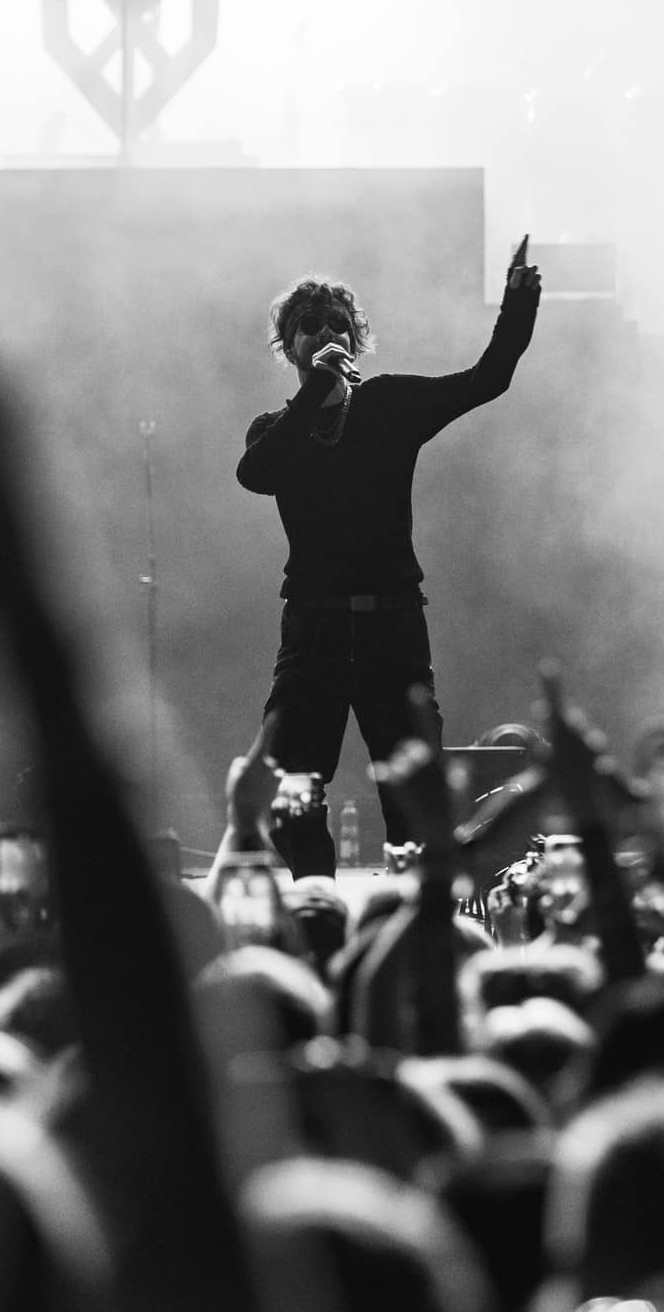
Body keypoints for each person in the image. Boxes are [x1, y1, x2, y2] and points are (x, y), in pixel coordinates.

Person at [236, 241, 543, 878]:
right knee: (290, 788)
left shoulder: (389, 405)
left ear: (356, 340)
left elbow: (488, 378)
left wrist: (519, 300)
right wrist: (316, 392)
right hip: (314, 632)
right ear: (288, 347)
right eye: (308, 326)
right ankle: (315, 899)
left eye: (337, 324)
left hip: (392, 630)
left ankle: (413, 910)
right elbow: (255, 475)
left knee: (416, 797)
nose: (325, 333)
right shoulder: (274, 430)